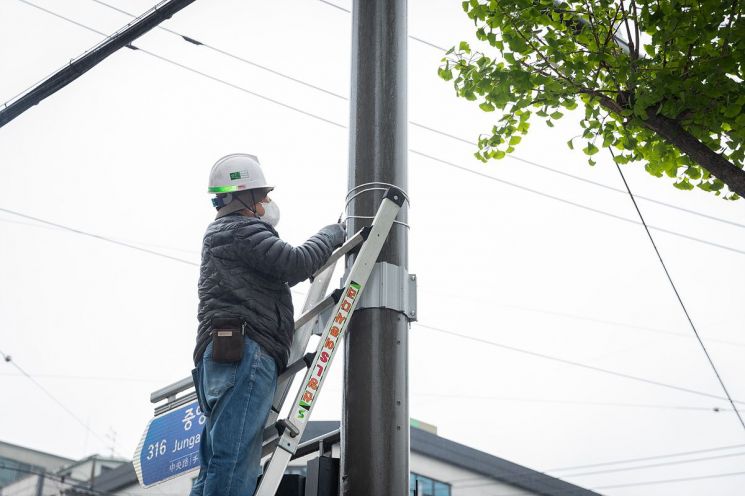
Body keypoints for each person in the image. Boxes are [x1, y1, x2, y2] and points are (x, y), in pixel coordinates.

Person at [189, 153, 346, 496]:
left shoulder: (224, 235)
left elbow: (275, 274)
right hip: (245, 351)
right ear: (242, 195)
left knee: (215, 461)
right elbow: (295, 263)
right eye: (260, 196)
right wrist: (331, 234)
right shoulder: (240, 230)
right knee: (234, 462)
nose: (265, 203)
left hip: (224, 352)